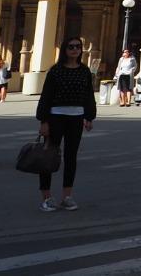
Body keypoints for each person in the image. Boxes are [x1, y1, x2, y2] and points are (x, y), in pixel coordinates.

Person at [35, 37, 96, 212]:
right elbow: (46, 96)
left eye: (78, 47)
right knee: (49, 156)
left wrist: (89, 117)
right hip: (55, 117)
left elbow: (88, 95)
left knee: (71, 157)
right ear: (64, 49)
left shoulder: (84, 71)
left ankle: (67, 196)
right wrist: (43, 120)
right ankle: (47, 197)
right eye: (71, 47)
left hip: (76, 117)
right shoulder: (55, 71)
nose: (75, 49)